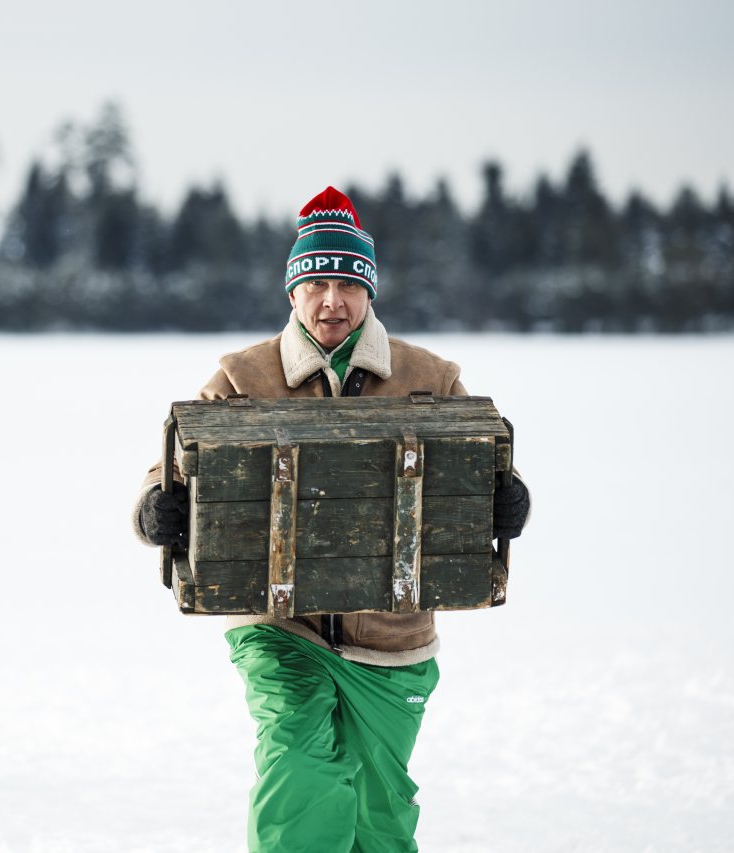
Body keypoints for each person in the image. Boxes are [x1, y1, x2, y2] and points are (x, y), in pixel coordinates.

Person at [132, 186, 530, 853]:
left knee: (381, 810)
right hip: (280, 624)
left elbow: (480, 466)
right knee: (298, 765)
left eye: (348, 282)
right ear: (291, 292)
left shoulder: (429, 375)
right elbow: (169, 463)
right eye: (315, 281)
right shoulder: (242, 376)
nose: (331, 301)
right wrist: (154, 505)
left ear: (370, 291)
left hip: (394, 635)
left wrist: (508, 497)